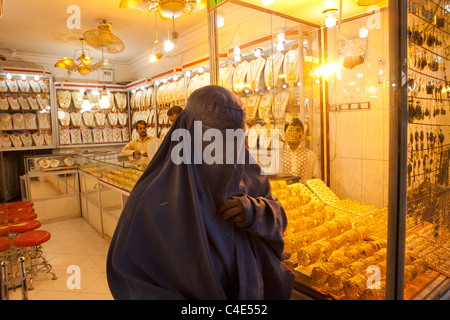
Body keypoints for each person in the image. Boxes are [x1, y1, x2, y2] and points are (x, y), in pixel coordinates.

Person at [107, 85, 294, 300]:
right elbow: (132, 281)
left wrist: (254, 211)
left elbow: (278, 217)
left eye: (233, 139)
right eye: (213, 139)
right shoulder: (153, 200)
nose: (224, 150)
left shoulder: (249, 178)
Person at [278, 118, 320, 182]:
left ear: (303, 133)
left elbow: (316, 180)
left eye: (298, 130)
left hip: (303, 191)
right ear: (285, 134)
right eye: (290, 130)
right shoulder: (278, 155)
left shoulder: (311, 155)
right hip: (284, 191)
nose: (294, 133)